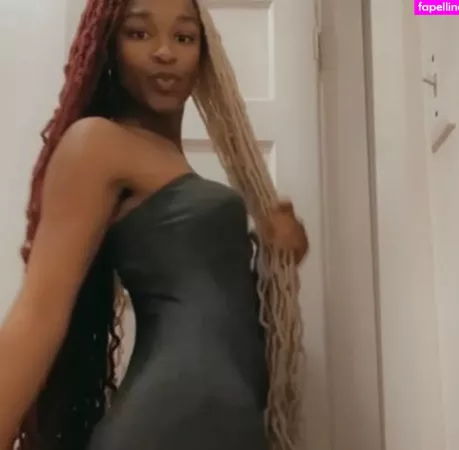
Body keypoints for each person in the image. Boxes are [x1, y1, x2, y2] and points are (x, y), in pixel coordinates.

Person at [0, 0, 309, 449]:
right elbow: (38, 313)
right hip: (162, 426)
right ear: (109, 46)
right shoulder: (97, 144)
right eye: (139, 33)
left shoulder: (169, 160)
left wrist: (280, 253)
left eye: (183, 37)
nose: (165, 52)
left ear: (204, 53)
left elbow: (222, 307)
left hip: (229, 428)